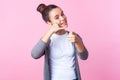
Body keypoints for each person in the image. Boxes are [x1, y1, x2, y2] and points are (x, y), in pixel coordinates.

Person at [31, 3, 88, 80]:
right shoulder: (47, 39)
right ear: (49, 23)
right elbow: (35, 54)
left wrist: (78, 41)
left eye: (62, 14)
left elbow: (84, 57)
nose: (62, 18)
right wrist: (50, 31)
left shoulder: (73, 36)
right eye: (57, 17)